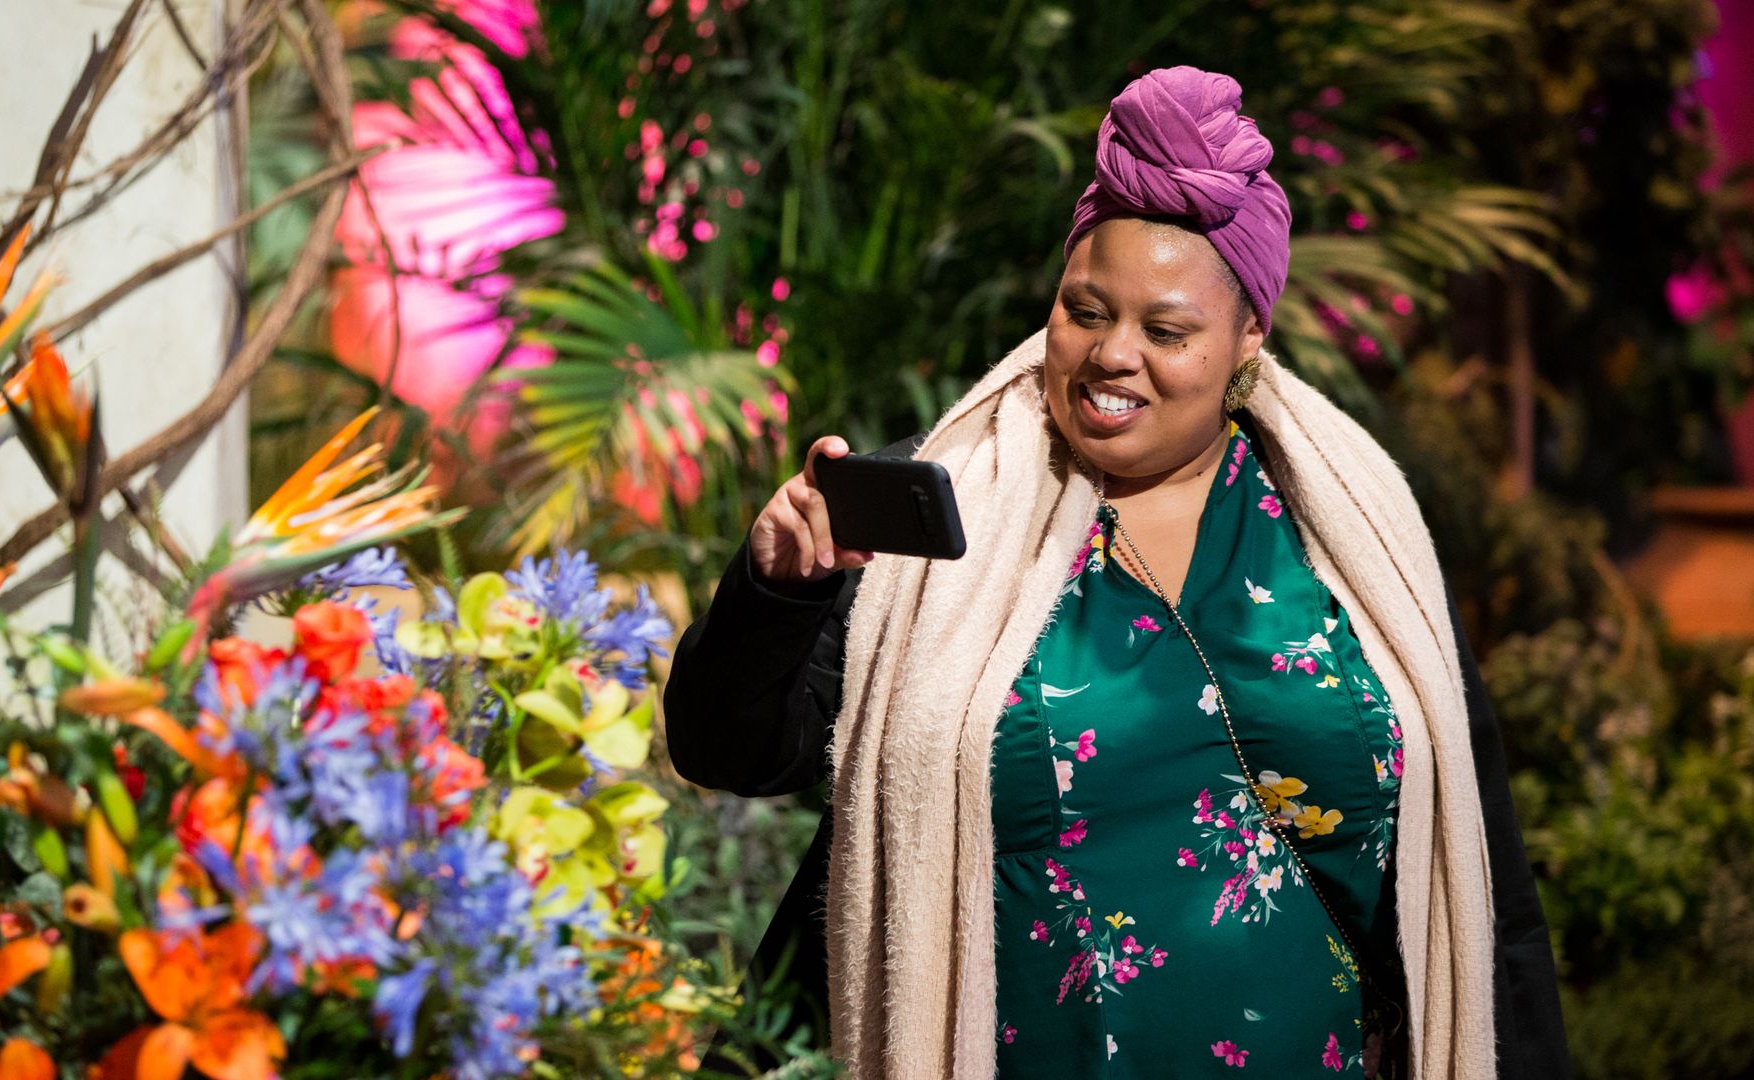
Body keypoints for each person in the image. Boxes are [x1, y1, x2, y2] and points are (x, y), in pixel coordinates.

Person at [665, 65, 1569, 1079]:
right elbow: (732, 752)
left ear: (1246, 342)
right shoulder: (954, 503)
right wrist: (778, 591)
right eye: (1084, 311)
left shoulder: (1352, 528)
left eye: (1166, 330)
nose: (1112, 355)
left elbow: (1486, 881)